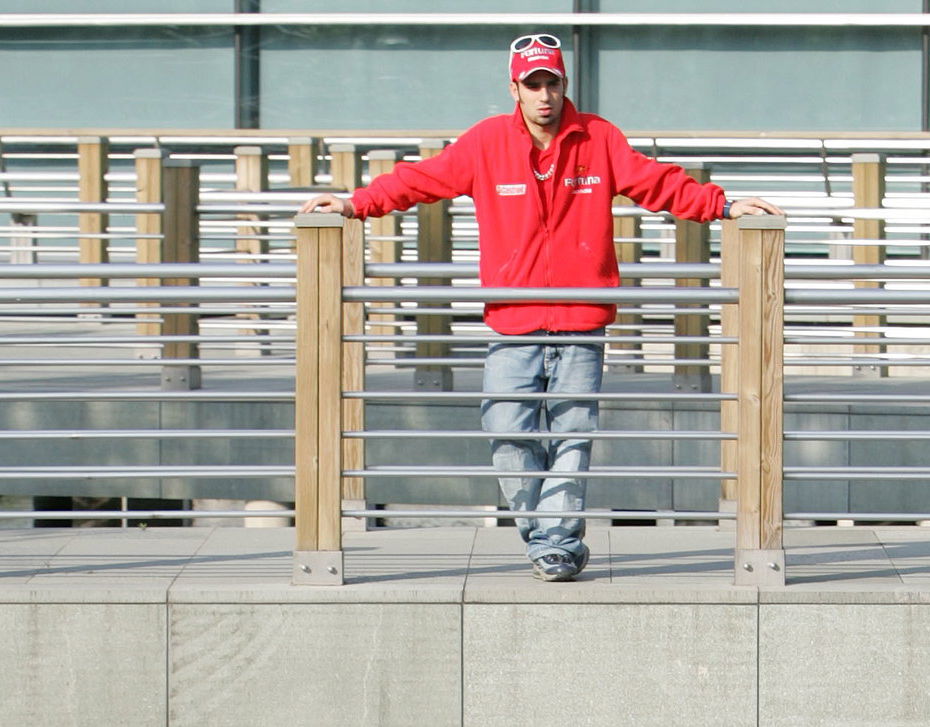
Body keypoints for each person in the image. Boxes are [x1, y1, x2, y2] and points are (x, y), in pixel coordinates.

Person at [299, 34, 775, 582]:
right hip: (513, 321)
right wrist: (356, 203)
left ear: (564, 84)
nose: (544, 95)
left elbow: (657, 183)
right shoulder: (486, 143)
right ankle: (548, 537)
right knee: (506, 430)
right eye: (533, 85)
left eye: (552, 82)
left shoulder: (598, 138)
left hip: (581, 322)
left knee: (572, 436)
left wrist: (723, 204)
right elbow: (420, 180)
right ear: (514, 90)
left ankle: (555, 546)